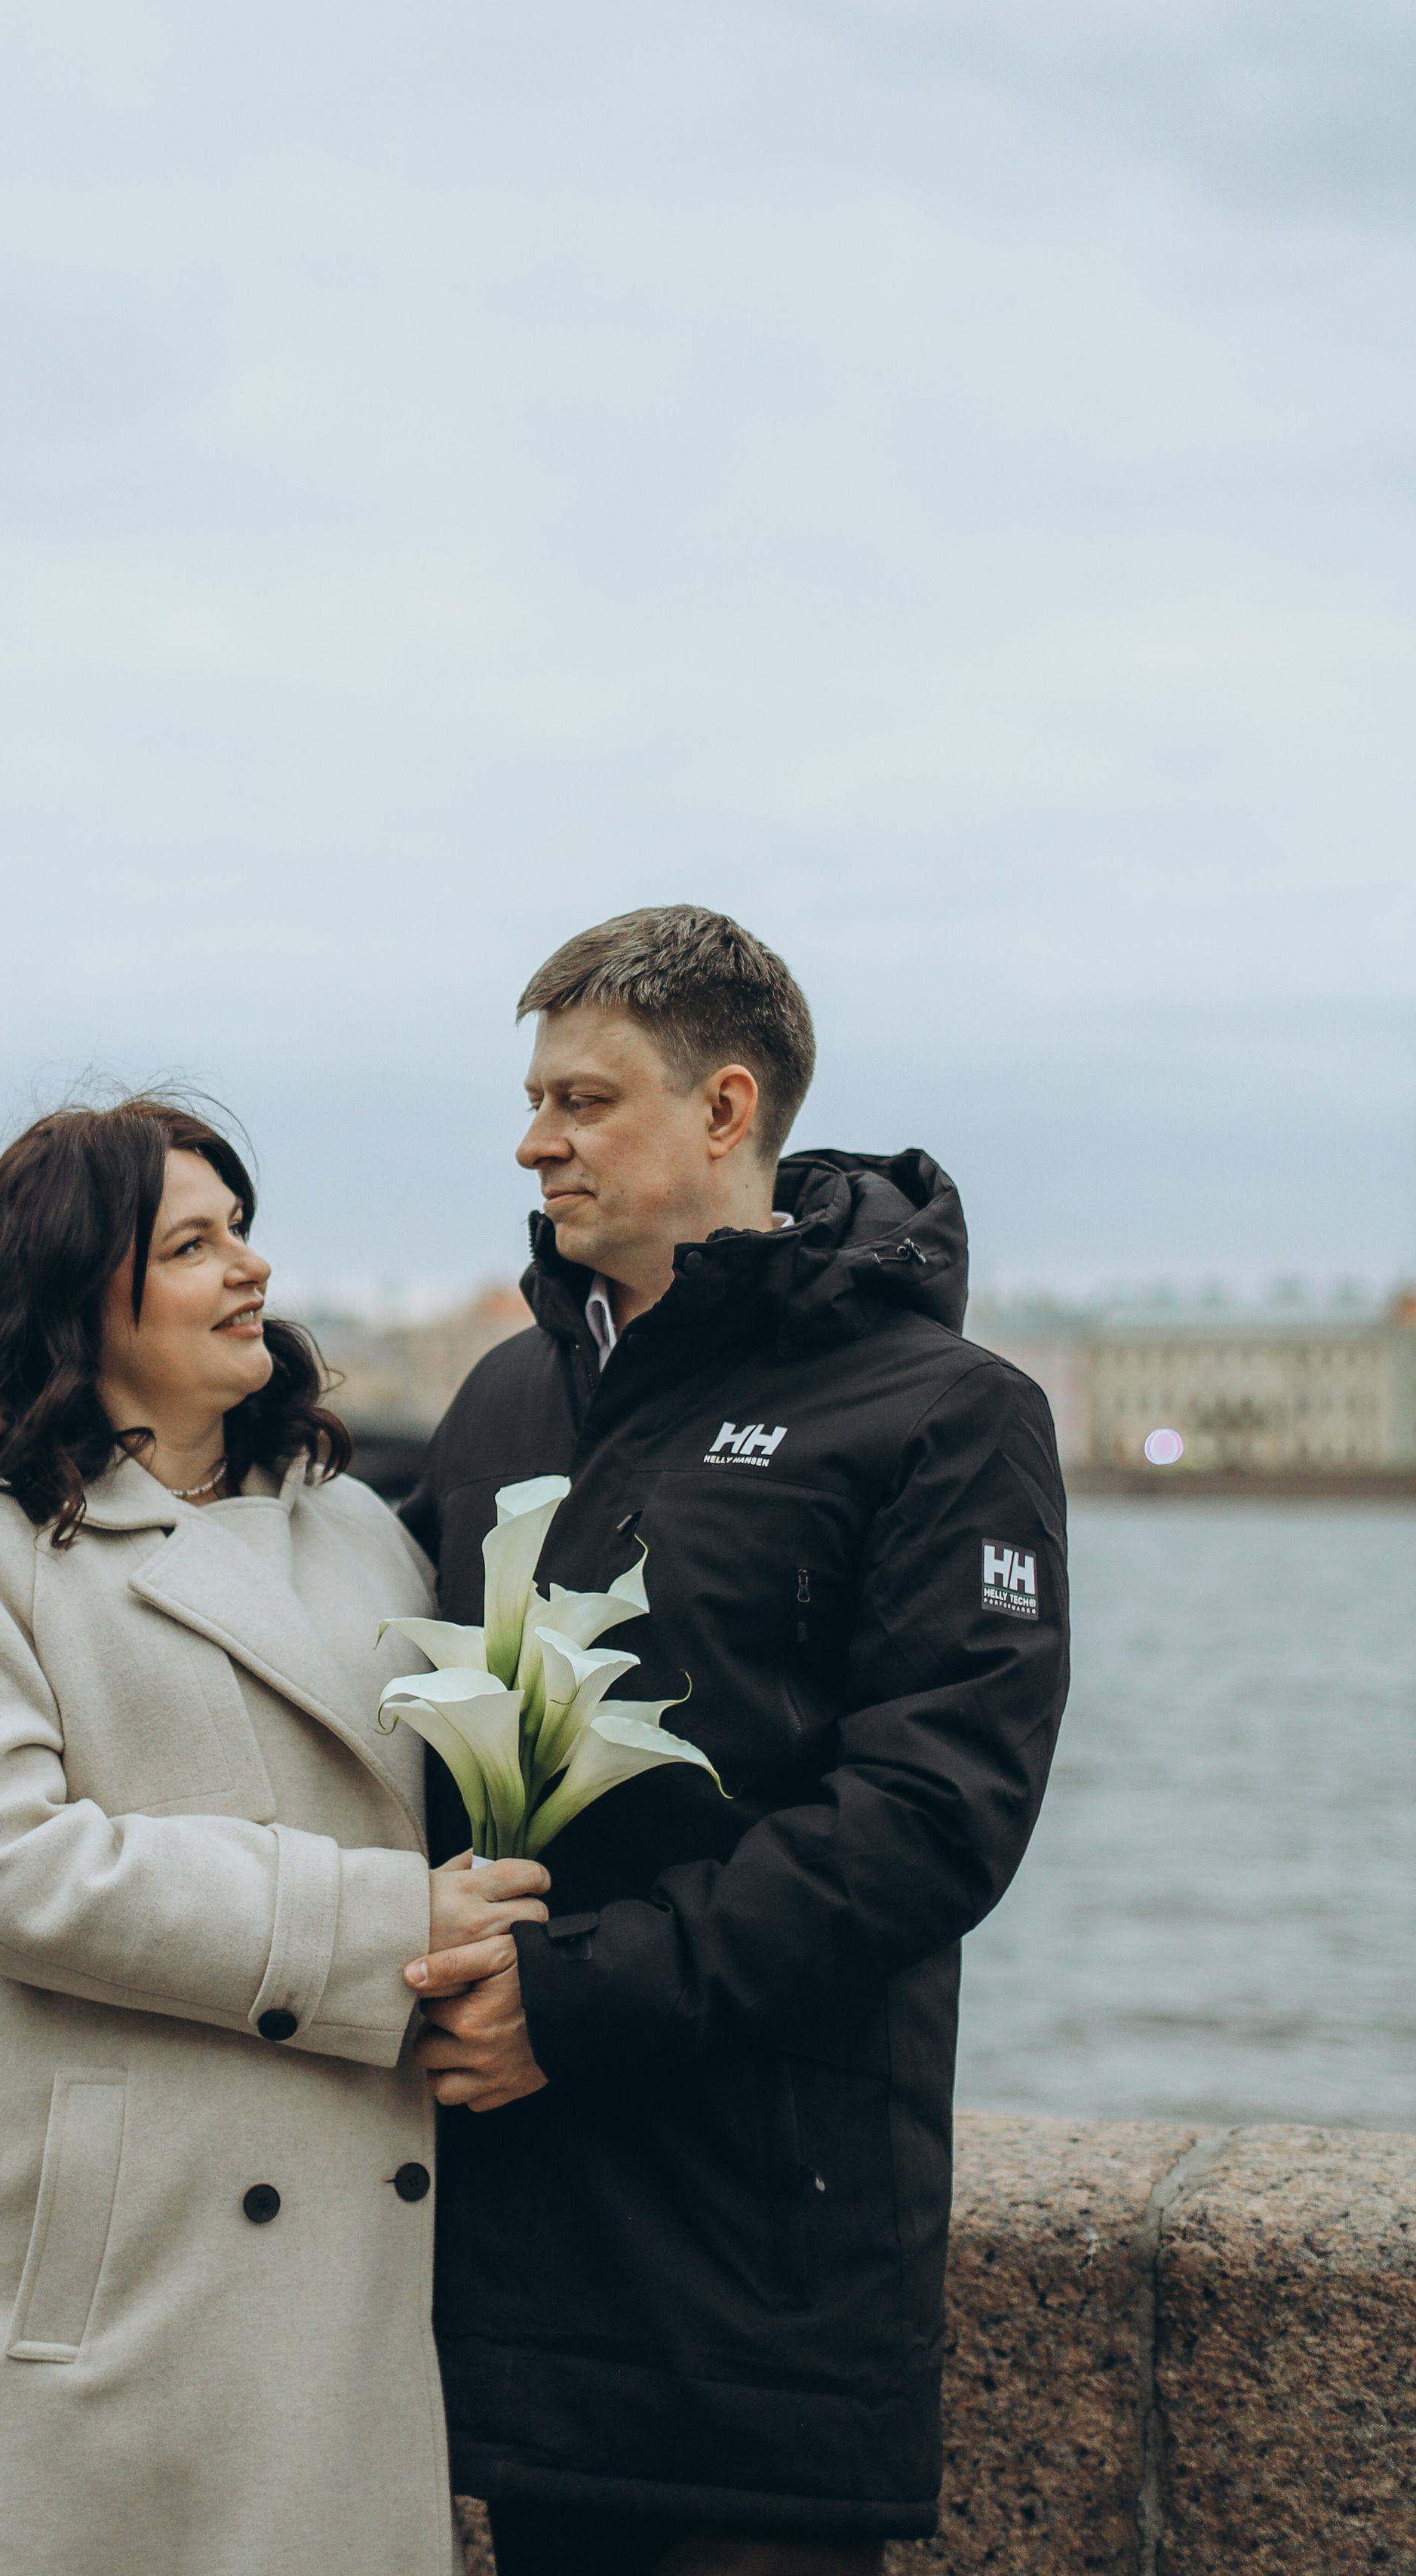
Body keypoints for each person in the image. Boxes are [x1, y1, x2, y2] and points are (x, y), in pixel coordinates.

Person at [397, 908, 1070, 2576]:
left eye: (582, 1099)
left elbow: (928, 1822)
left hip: (766, 2261)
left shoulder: (945, 1412)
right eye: (533, 1098)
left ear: (722, 1109)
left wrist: (565, 2001)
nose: (532, 1139)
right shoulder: (503, 1399)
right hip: (523, 2249)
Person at [0, 1096, 548, 2576]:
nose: (248, 1268)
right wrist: (386, 1929)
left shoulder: (358, 1528)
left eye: (240, 1231)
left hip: (338, 2260)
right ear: (75, 1299)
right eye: (191, 1243)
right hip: (92, 2261)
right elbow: (3, 1869)